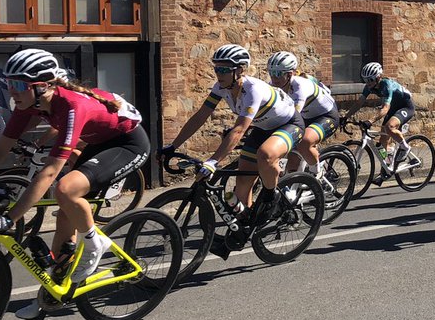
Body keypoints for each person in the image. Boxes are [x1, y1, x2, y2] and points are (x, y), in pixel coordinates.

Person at [0, 49, 149, 319]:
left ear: (44, 87)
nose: (12, 91)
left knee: (65, 189)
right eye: (9, 84)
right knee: (65, 213)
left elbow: (50, 172)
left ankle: (93, 244)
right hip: (100, 144)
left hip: (128, 144)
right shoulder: (28, 105)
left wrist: (10, 218)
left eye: (18, 85)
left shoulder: (73, 105)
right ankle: (55, 290)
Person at [162, 44, 302, 236]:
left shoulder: (253, 89)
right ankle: (247, 226)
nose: (219, 73)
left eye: (224, 69)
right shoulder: (221, 88)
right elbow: (200, 116)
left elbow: (239, 130)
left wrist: (212, 161)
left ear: (240, 70)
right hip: (262, 128)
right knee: (243, 183)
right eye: (216, 68)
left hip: (289, 124)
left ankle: (272, 197)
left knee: (266, 154)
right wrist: (173, 145)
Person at [265, 51, 338, 180]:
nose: (274, 78)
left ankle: (317, 173)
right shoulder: (272, 86)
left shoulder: (299, 86)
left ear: (289, 74)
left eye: (278, 73)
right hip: (305, 117)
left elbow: (294, 115)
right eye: (271, 73)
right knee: (293, 158)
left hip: (326, 115)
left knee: (304, 141)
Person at [340, 62, 416, 182]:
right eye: (365, 80)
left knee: (390, 127)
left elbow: (385, 109)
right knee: (382, 142)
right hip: (393, 108)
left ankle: (405, 147)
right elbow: (359, 103)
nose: (368, 83)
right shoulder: (369, 87)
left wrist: (370, 121)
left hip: (405, 106)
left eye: (370, 80)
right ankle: (386, 168)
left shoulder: (386, 85)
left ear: (378, 77)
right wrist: (345, 117)